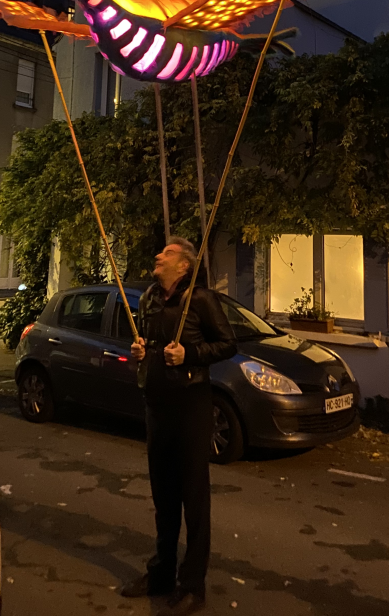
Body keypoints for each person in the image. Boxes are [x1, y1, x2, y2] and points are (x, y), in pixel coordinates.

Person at [120, 237, 236, 616]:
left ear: (184, 266)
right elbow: (148, 340)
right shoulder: (149, 297)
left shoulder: (201, 300)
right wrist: (141, 350)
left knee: (193, 499)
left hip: (190, 404)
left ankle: (193, 586)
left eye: (167, 254)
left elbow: (227, 344)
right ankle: (161, 574)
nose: (158, 256)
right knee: (163, 496)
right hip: (157, 403)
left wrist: (190, 353)